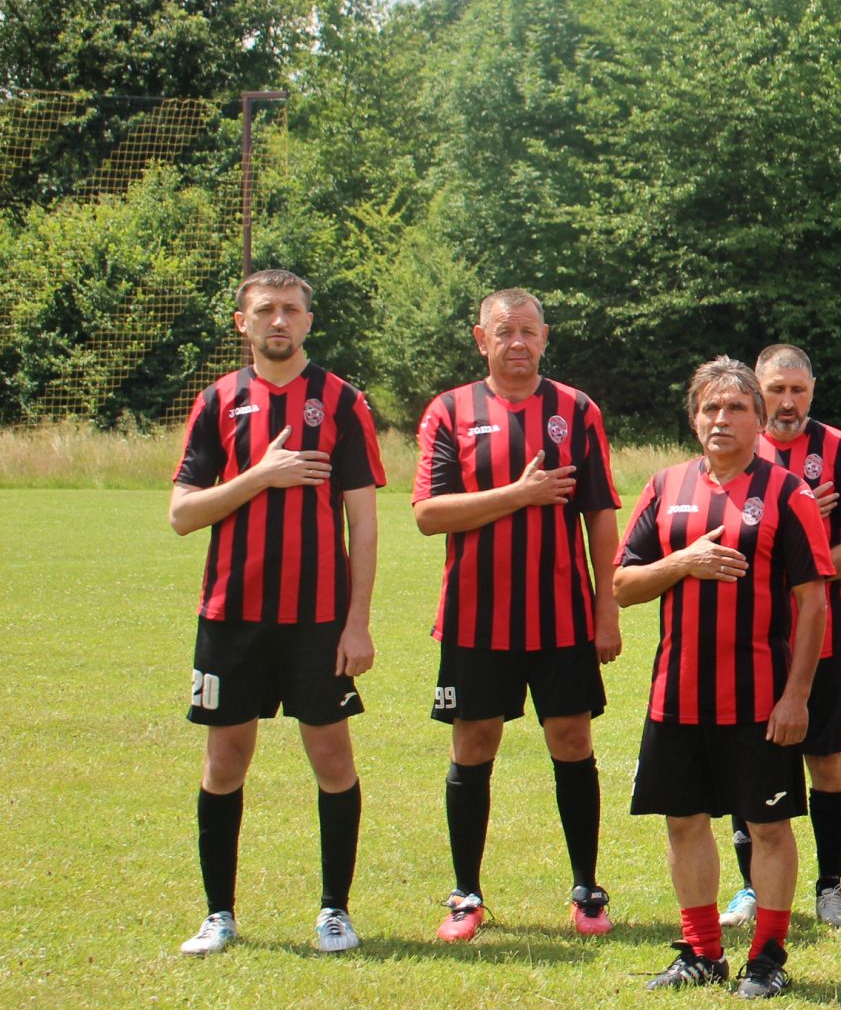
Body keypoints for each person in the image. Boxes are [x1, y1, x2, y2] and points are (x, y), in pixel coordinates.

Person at [173, 269, 383, 957]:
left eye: (291, 309)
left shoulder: (342, 401)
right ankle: (219, 914)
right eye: (265, 309)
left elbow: (363, 522)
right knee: (225, 760)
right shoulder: (217, 401)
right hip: (231, 616)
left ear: (308, 321)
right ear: (243, 322)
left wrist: (357, 622)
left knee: (332, 756)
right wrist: (261, 474)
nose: (279, 320)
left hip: (318, 619)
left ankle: (335, 911)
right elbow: (182, 514)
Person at [614, 359, 830, 999]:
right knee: (684, 822)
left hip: (759, 697)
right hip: (677, 693)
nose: (721, 419)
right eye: (710, 408)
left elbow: (813, 601)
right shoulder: (665, 486)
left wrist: (796, 696)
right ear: (693, 419)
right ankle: (703, 951)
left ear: (759, 421)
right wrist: (683, 561)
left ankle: (766, 957)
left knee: (768, 827)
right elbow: (624, 584)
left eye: (736, 408)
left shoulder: (787, 493)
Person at [411, 288, 622, 943]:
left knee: (573, 740)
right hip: (475, 619)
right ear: (482, 339)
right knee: (473, 743)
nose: (517, 343)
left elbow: (600, 514)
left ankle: (586, 889)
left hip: (562, 617)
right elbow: (429, 515)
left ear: (545, 337)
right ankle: (466, 893)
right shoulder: (450, 411)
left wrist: (607, 607)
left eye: (528, 331)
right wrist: (519, 494)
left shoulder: (576, 410)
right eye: (504, 331)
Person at [715, 345, 841, 931]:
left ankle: (830, 887)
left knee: (825, 763)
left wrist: (797, 559)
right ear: (757, 391)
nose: (787, 402)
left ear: (812, 390)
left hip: (824, 637)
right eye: (776, 390)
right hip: (748, 640)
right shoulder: (734, 446)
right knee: (744, 762)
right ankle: (751, 887)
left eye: (797, 391)